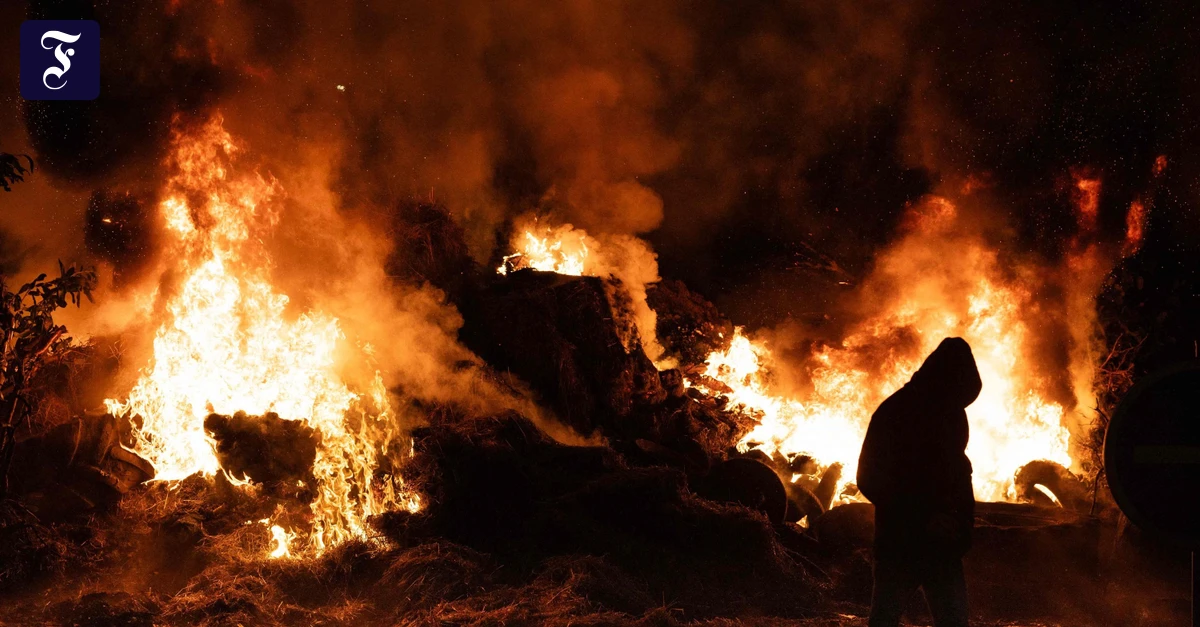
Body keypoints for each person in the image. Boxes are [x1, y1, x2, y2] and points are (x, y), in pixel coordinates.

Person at [856, 337, 980, 627]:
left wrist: (963, 527)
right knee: (885, 619)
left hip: (942, 546)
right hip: (899, 542)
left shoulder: (952, 414)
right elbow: (869, 478)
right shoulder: (893, 414)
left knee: (954, 621)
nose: (958, 403)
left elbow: (959, 474)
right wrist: (923, 517)